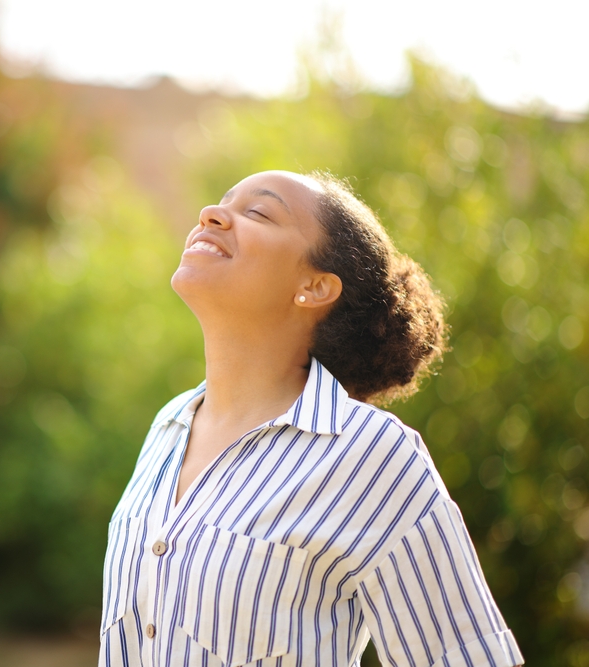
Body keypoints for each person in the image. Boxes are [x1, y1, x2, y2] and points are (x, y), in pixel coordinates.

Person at [99, 171, 523, 667]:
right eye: (220, 203)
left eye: (257, 212)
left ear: (315, 286)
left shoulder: (371, 454)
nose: (210, 215)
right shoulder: (168, 425)